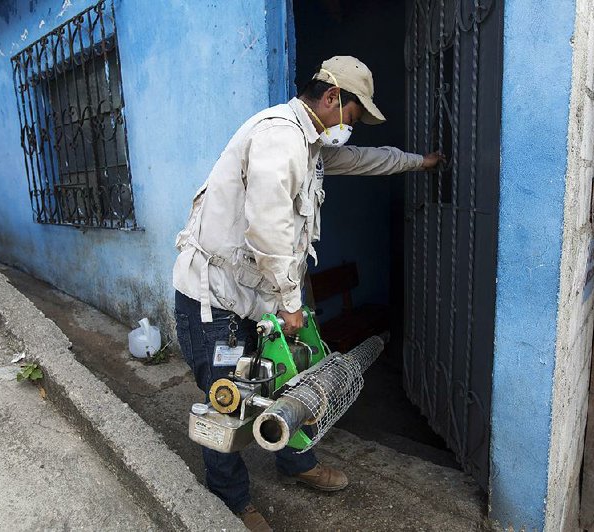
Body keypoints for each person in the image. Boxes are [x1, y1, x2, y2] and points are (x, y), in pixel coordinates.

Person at [173, 56, 443, 531]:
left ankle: (297, 462)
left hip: (254, 300)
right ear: (333, 97)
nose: (351, 130)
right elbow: (268, 227)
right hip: (213, 302)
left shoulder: (310, 144)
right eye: (353, 117)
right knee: (227, 399)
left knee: (287, 381)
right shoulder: (280, 135)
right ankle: (230, 501)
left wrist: (417, 163)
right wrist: (292, 302)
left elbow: (363, 160)